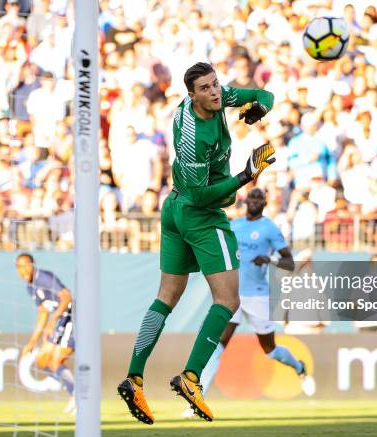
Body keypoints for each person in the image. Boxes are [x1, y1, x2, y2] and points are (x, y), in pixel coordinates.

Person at [117, 62, 275, 424]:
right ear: (192, 95)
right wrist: (246, 175)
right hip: (199, 215)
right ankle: (191, 378)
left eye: (216, 84)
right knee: (229, 299)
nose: (216, 92)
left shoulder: (219, 98)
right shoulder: (192, 138)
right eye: (206, 88)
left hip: (174, 209)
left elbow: (260, 93)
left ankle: (134, 377)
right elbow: (203, 197)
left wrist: (261, 107)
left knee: (167, 296)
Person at [182, 188, 315, 417]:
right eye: (251, 197)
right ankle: (196, 400)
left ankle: (299, 367)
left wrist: (270, 259)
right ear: (246, 201)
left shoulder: (270, 228)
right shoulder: (235, 225)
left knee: (270, 350)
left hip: (258, 297)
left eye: (258, 198)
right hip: (232, 295)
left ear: (264, 202)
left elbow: (290, 262)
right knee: (215, 346)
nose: (254, 201)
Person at [16, 253, 76, 415]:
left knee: (56, 361)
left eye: (25, 265)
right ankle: (75, 392)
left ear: (32, 265)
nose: (23, 270)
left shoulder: (44, 278)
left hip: (72, 318)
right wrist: (32, 341)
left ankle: (78, 396)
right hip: (59, 322)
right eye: (19, 267)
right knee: (42, 361)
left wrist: (52, 321)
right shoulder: (30, 287)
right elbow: (43, 312)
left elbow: (67, 297)